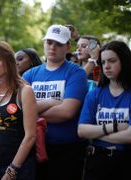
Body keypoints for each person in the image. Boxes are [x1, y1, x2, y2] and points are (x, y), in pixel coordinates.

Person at [23, 24, 88, 180]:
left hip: (67, 151)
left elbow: (67, 112)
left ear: (67, 47)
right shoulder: (29, 74)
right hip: (33, 148)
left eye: (58, 44)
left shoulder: (76, 72)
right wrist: (53, 102)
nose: (52, 47)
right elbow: (20, 109)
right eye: (49, 42)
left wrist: (32, 110)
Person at [0, 41, 37, 180]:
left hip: (19, 165)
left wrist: (12, 169)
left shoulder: (24, 91)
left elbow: (31, 136)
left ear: (8, 61)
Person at [78, 41, 131, 180]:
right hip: (97, 162)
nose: (106, 66)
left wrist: (95, 134)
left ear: (124, 61)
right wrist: (114, 126)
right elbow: (82, 130)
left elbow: (129, 137)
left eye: (112, 61)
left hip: (126, 161)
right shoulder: (94, 94)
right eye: (103, 62)